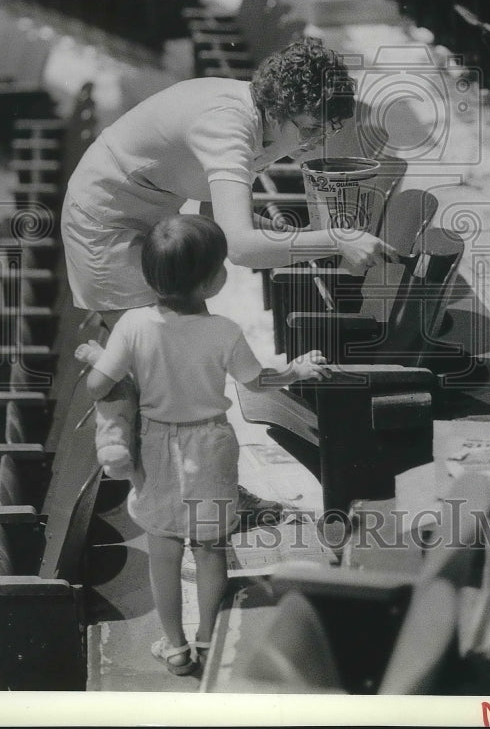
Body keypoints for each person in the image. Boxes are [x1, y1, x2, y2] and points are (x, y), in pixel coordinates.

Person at [61, 36, 397, 523]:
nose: (309, 143)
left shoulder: (258, 120)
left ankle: (201, 496)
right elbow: (240, 246)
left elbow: (221, 229)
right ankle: (186, 503)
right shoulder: (229, 126)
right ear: (279, 109)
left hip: (153, 217)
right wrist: (335, 238)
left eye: (319, 131)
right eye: (304, 129)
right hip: (108, 227)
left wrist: (291, 239)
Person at [75, 213, 331, 676]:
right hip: (211, 444)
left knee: (164, 547)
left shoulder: (133, 326)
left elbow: (97, 385)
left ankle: (175, 647)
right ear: (213, 281)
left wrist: (113, 367)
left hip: (154, 445)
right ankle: (210, 638)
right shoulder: (225, 331)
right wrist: (295, 370)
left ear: (148, 276)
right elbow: (258, 381)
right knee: (211, 547)